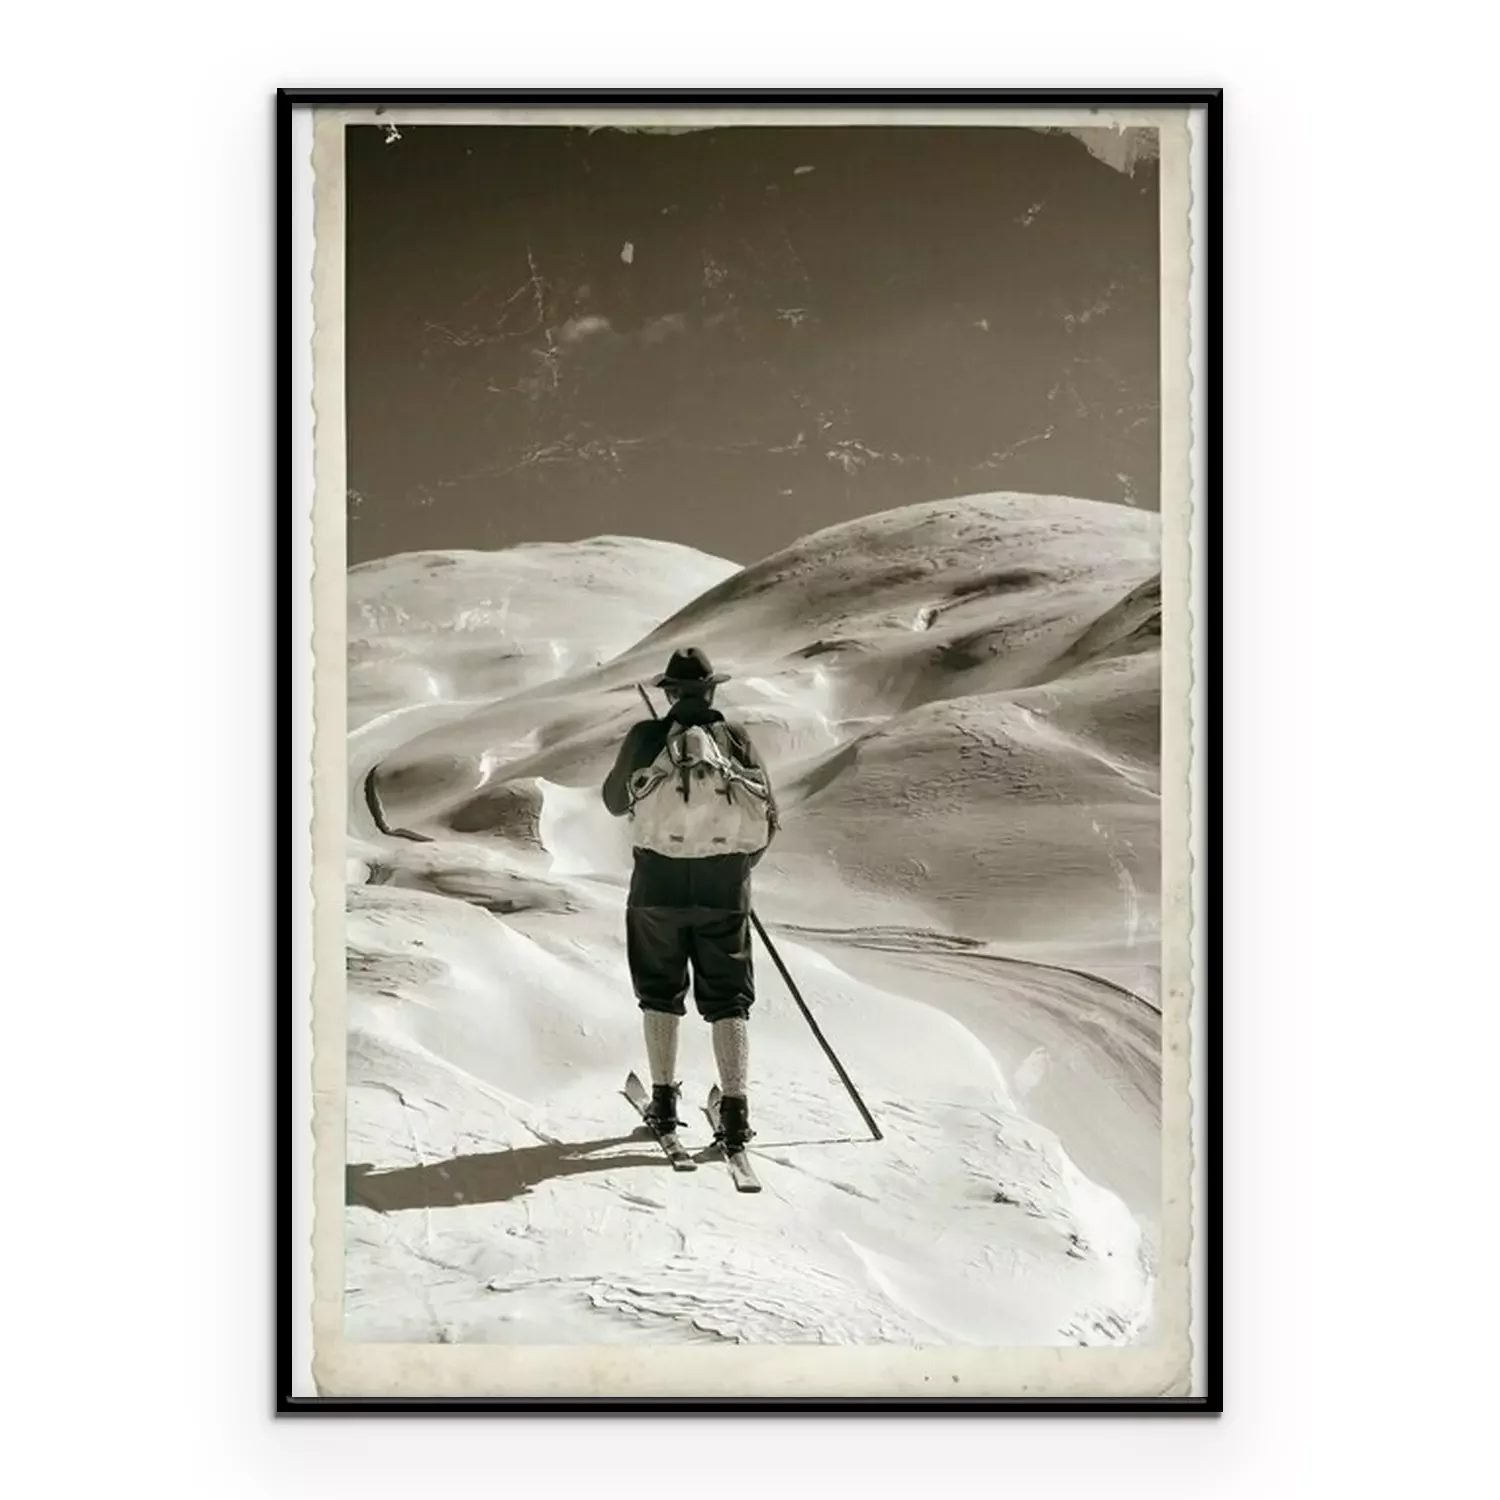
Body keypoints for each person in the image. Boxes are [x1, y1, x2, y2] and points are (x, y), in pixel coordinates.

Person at [602, 647, 779, 1154]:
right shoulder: (735, 739)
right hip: (724, 890)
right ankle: (736, 1113)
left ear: (670, 694)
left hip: (656, 888)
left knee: (660, 992)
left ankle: (663, 1102)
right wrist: (735, 871)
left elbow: (614, 801)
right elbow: (768, 816)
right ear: (712, 689)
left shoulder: (647, 736)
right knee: (729, 999)